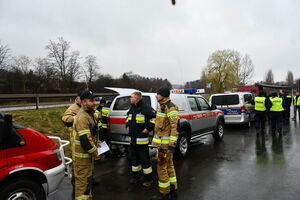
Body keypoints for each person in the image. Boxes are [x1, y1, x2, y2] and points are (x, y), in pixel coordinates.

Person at [151, 86, 179, 200]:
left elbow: (175, 127)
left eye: (157, 94)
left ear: (163, 95)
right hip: (162, 144)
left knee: (161, 167)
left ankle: (164, 193)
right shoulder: (161, 106)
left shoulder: (170, 108)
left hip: (165, 146)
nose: (155, 95)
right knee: (169, 166)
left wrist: (172, 145)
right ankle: (173, 191)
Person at [73, 90, 100, 200]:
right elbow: (85, 140)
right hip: (82, 158)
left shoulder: (90, 113)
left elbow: (91, 135)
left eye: (95, 100)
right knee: (82, 184)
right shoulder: (82, 117)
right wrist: (95, 152)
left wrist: (97, 143)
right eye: (91, 101)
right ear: (83, 102)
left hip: (87, 157)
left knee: (88, 181)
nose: (95, 103)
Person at [127, 91, 156, 187]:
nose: (130, 99)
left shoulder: (145, 108)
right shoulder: (132, 108)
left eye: (132, 97)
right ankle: (136, 177)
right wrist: (127, 122)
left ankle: (149, 179)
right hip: (133, 140)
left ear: (137, 98)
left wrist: (147, 129)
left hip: (141, 140)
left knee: (145, 160)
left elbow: (155, 118)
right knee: (134, 160)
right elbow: (129, 116)